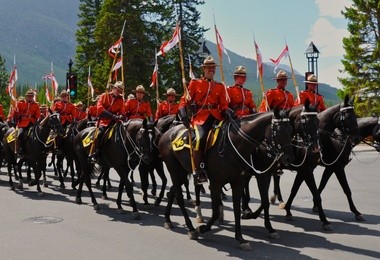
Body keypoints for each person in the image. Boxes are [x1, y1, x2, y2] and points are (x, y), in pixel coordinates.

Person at [178, 55, 231, 183]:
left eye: (213, 67)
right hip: (200, 118)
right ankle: (199, 169)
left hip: (216, 117)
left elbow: (223, 104)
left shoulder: (219, 86)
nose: (211, 69)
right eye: (208, 67)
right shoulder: (195, 83)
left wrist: (226, 111)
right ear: (204, 69)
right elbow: (184, 100)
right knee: (200, 138)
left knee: (229, 136)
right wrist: (183, 114)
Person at [89, 81, 125, 162]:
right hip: (103, 121)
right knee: (99, 134)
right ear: (113, 88)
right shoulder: (104, 96)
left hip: (115, 122)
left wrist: (121, 116)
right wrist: (112, 116)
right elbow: (100, 109)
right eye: (117, 89)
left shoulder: (121, 100)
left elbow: (122, 111)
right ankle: (95, 153)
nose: (118, 92)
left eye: (120, 91)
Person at [10, 89, 40, 156]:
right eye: (29, 96)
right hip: (23, 123)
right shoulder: (21, 103)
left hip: (32, 123)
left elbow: (38, 115)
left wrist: (36, 120)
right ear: (26, 97)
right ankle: (20, 149)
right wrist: (16, 112)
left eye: (31, 96)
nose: (30, 97)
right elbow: (15, 113)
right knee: (20, 134)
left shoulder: (36, 105)